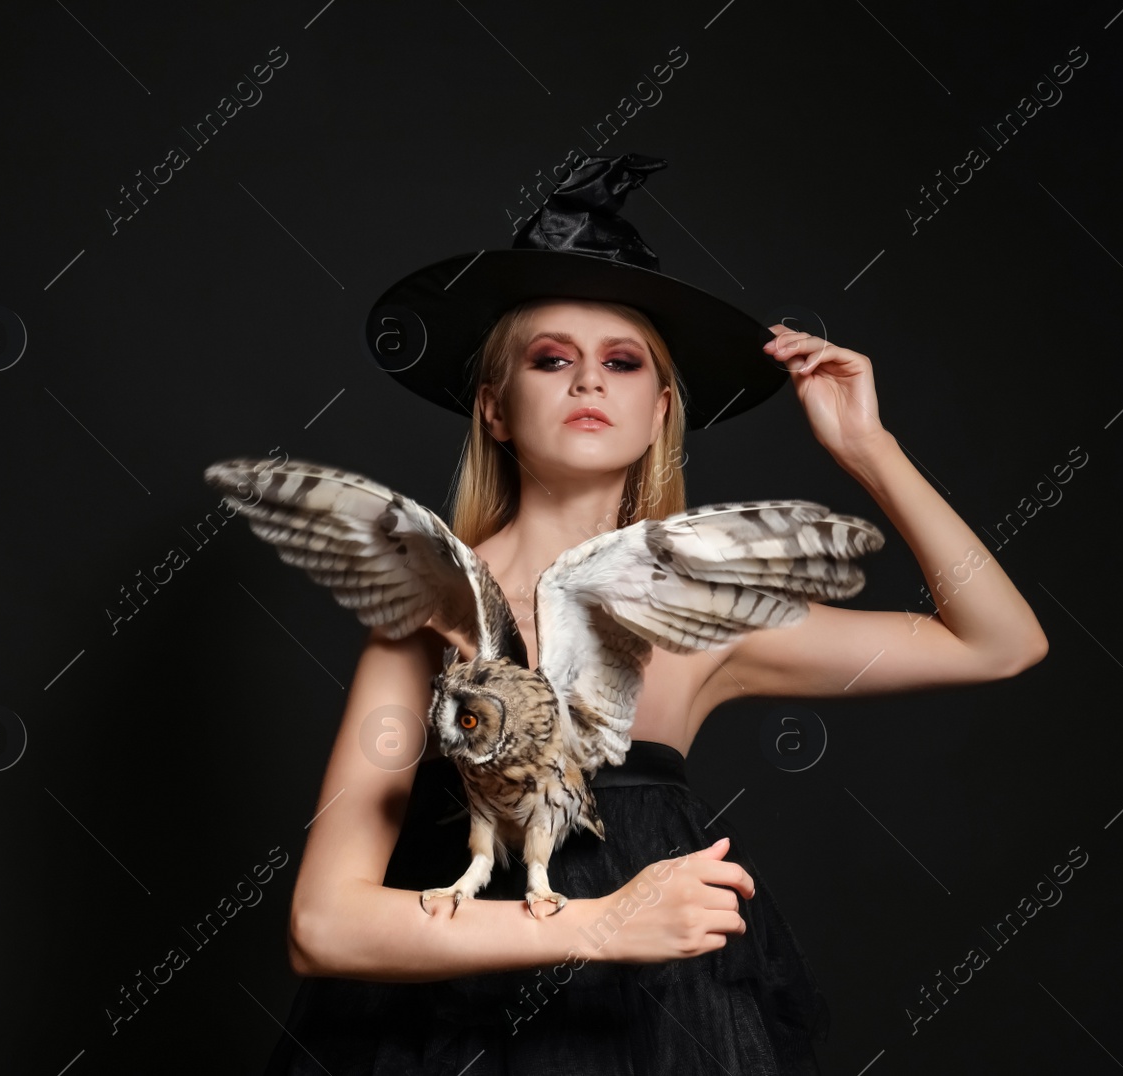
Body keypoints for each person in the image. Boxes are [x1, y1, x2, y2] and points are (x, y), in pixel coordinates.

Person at [259, 155, 1047, 1075]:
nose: (589, 382)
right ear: (495, 407)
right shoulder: (431, 612)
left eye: (622, 362)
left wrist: (870, 452)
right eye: (551, 359)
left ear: (661, 407)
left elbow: (1000, 641)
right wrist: (603, 922)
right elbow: (323, 925)